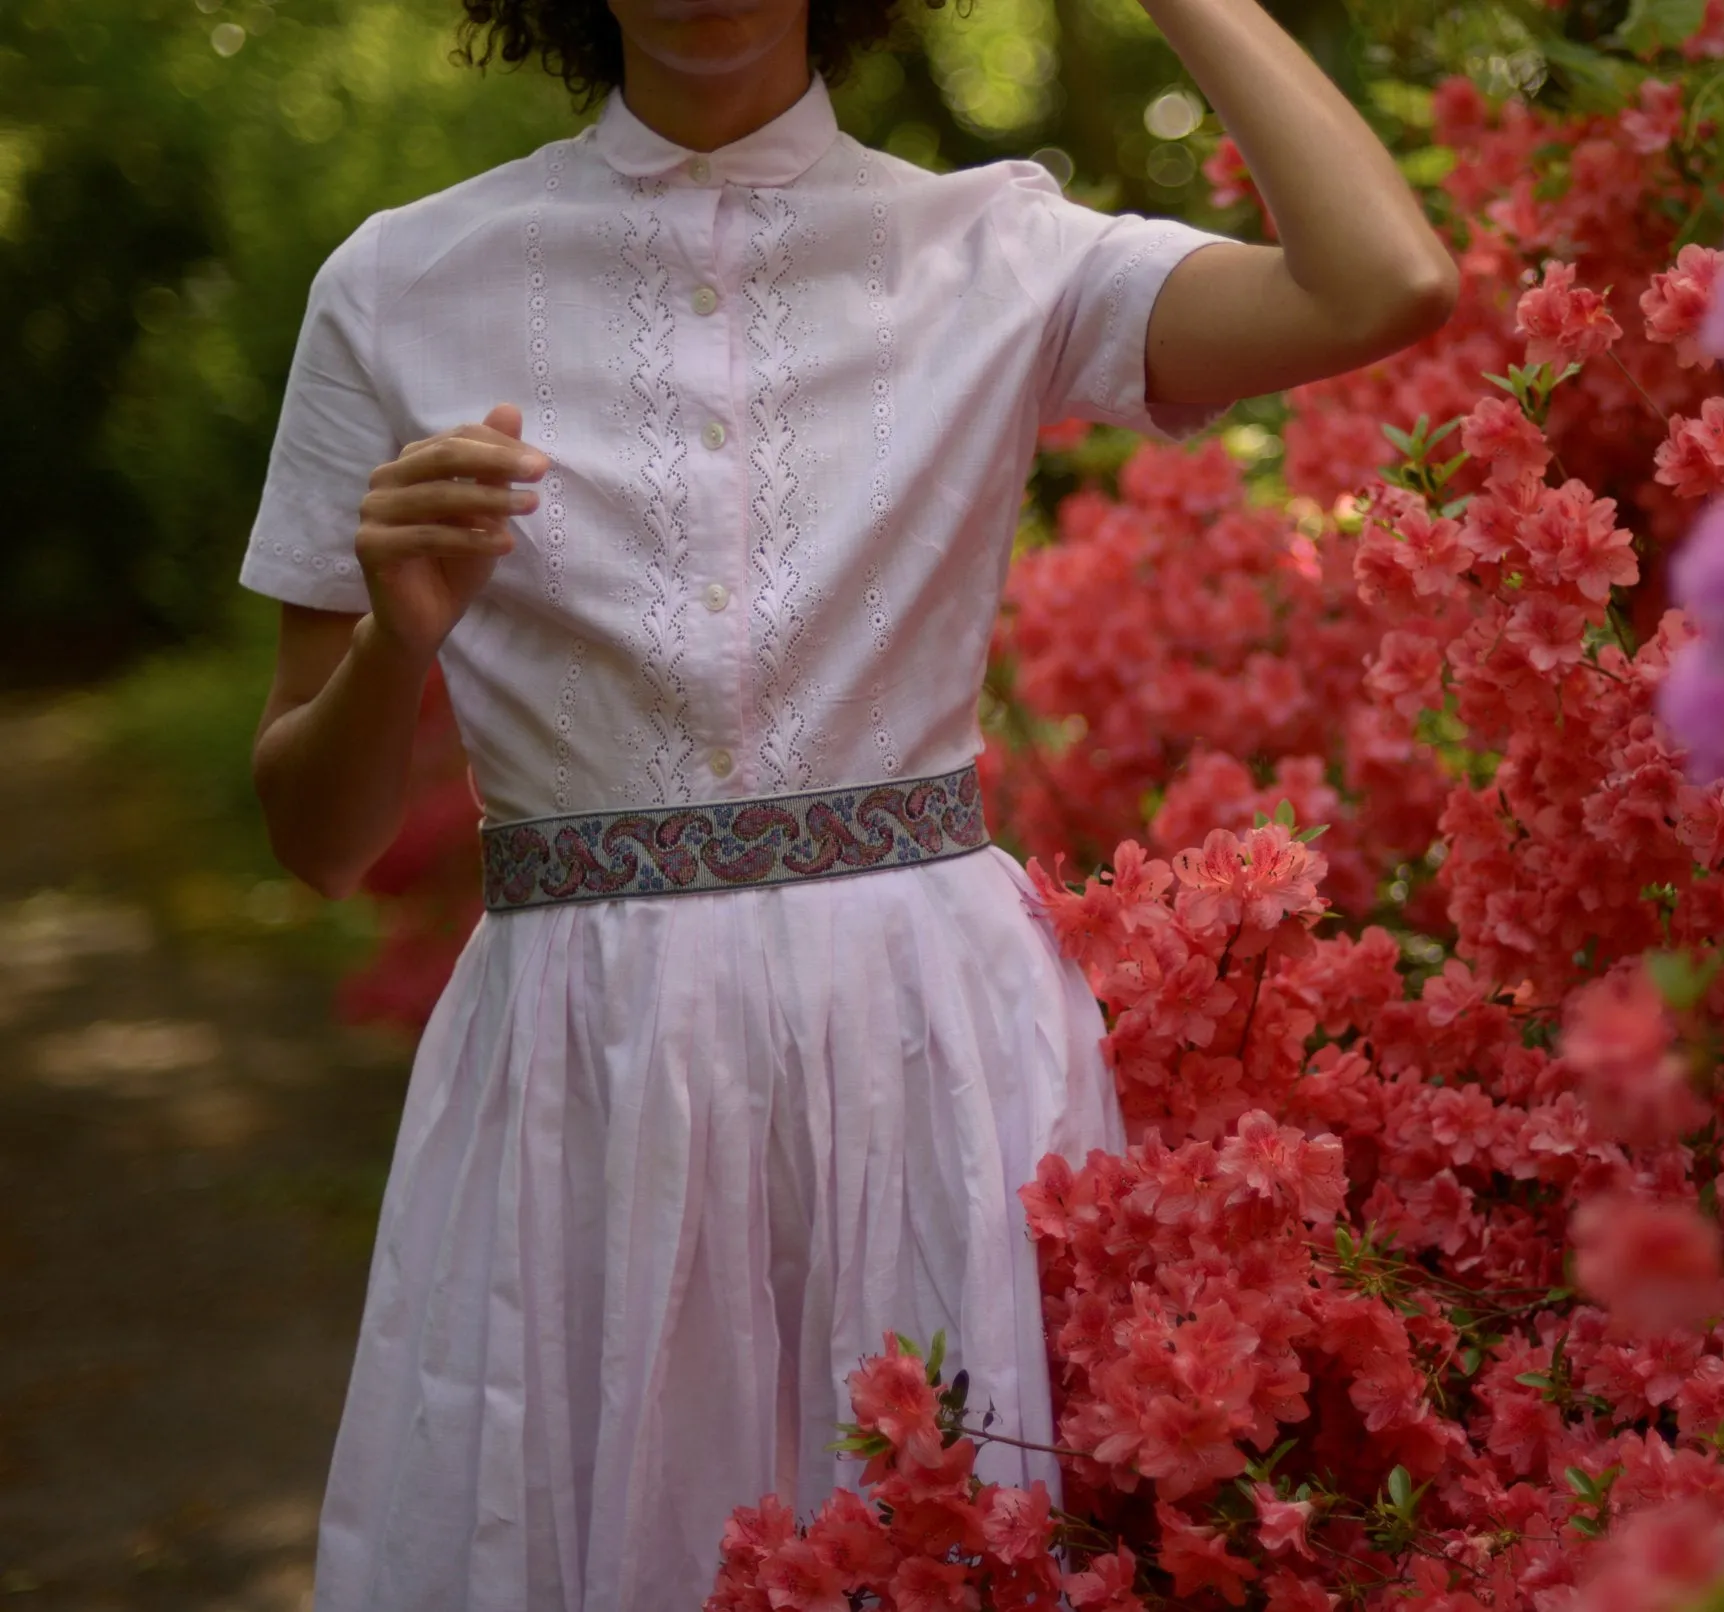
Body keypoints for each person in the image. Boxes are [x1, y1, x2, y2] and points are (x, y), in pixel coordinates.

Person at [243, 0, 1456, 1601]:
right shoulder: (397, 281)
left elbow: (1385, 283)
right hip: (583, 1070)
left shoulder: (996, 249)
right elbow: (317, 841)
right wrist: (399, 638)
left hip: (928, 1053)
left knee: (953, 1538)